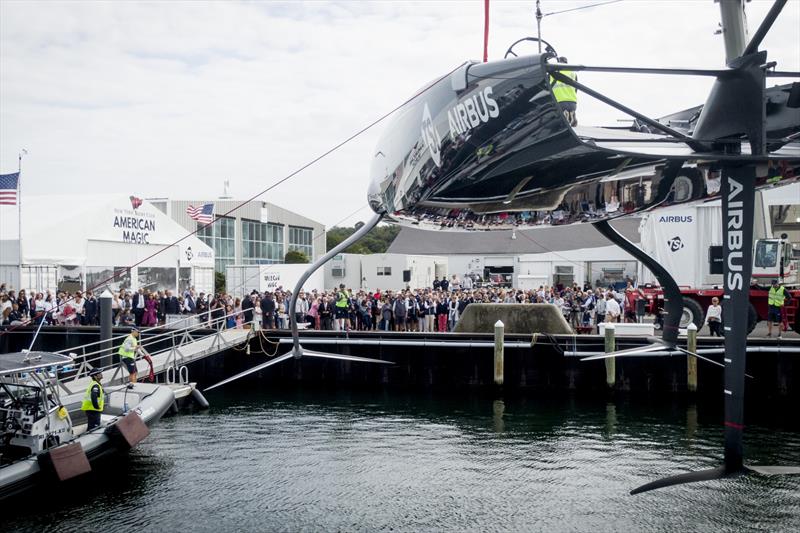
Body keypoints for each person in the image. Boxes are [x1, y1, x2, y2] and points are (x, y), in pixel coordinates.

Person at [550, 56, 578, 126]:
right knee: (570, 109)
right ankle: (572, 114)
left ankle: (564, 115)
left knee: (557, 120)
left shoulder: (553, 73)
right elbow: (576, 88)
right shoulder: (573, 73)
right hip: (573, 102)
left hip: (560, 101)